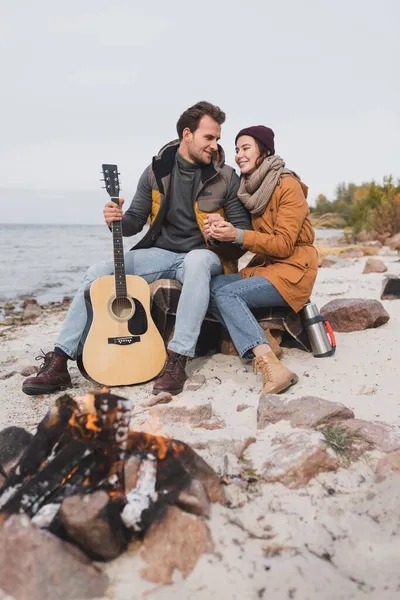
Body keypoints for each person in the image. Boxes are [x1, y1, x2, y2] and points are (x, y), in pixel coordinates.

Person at [22, 101, 251, 397]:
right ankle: (60, 359)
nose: (215, 145)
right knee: (99, 272)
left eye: (218, 138)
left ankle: (177, 359)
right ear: (187, 134)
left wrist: (224, 232)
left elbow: (243, 228)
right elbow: (134, 222)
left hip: (206, 255)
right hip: (163, 253)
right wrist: (114, 218)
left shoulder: (227, 177)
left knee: (195, 261)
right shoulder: (156, 171)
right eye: (209, 138)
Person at [204, 125, 318, 394]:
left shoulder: (287, 184)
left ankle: (270, 365)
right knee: (210, 288)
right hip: (268, 269)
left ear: (264, 151)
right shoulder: (250, 190)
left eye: (246, 148)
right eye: (236, 150)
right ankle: (263, 336)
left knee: (227, 296)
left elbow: (283, 243)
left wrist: (238, 234)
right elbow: (244, 234)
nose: (239, 155)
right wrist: (220, 230)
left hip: (293, 271)